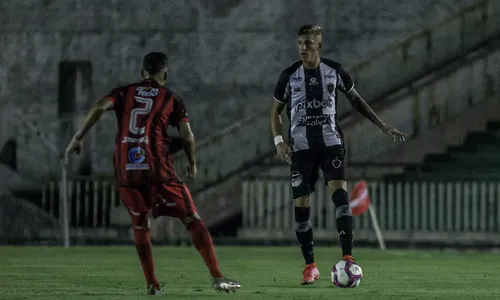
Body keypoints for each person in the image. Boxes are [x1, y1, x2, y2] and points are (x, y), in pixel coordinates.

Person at [64, 52, 241, 295]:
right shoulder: (171, 98)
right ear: (165, 74)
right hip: (158, 170)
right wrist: (192, 161)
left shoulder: (123, 93)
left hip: (127, 170)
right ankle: (217, 277)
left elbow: (98, 107)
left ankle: (152, 284)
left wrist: (77, 137)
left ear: (141, 73)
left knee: (140, 226)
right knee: (192, 219)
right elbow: (187, 134)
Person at [269, 25, 407, 285]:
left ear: (319, 46)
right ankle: (310, 266)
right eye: (300, 43)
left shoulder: (334, 71)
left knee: (340, 197)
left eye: (309, 43)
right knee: (301, 207)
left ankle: (348, 258)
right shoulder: (288, 75)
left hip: (331, 143)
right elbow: (275, 111)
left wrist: (382, 125)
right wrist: (279, 141)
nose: (303, 48)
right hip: (300, 148)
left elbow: (356, 100)